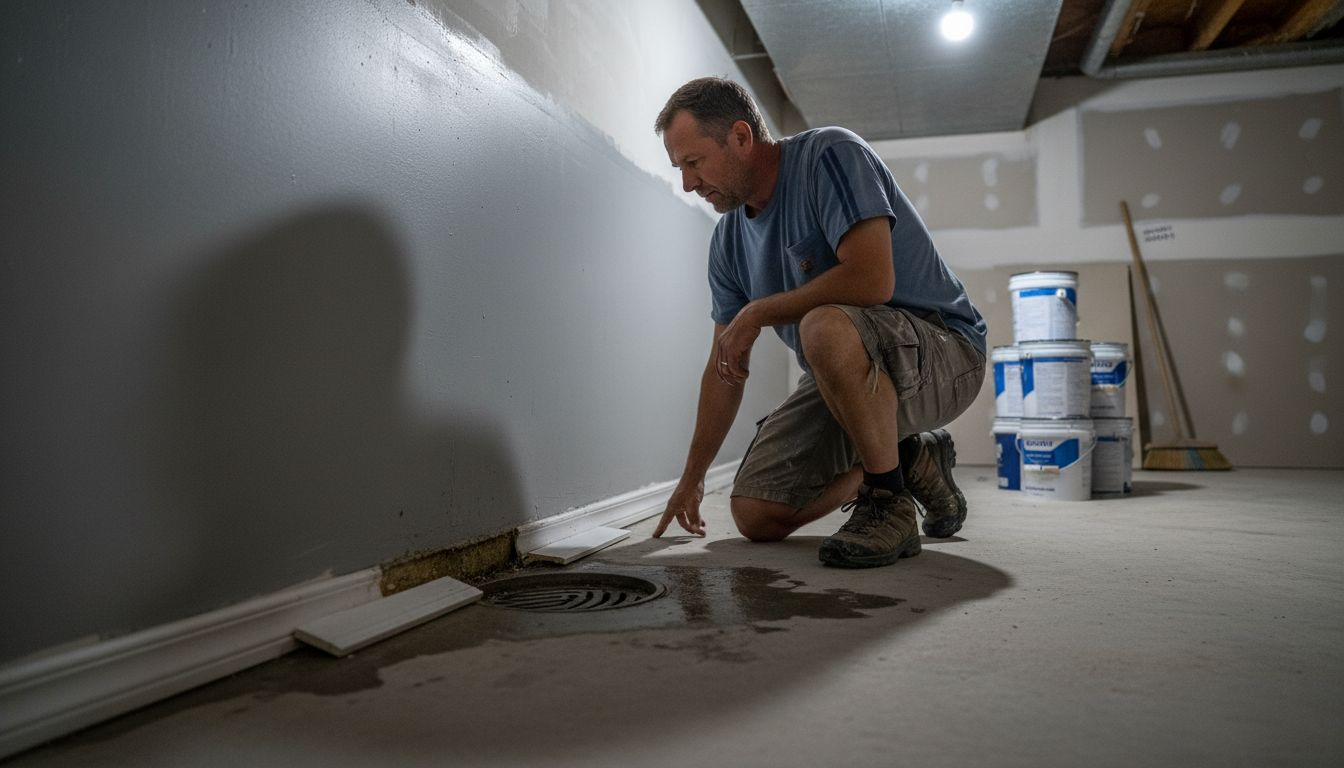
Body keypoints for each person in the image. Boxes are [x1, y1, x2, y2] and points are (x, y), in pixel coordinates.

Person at [651, 77, 987, 568]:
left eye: (694, 162)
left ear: (741, 137)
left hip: (947, 354)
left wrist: (759, 310)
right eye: (679, 168)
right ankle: (910, 460)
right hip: (851, 374)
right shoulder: (728, 242)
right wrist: (692, 477)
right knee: (756, 513)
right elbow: (723, 368)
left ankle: (888, 503)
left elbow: (873, 279)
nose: (688, 183)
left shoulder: (829, 155)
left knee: (822, 327)